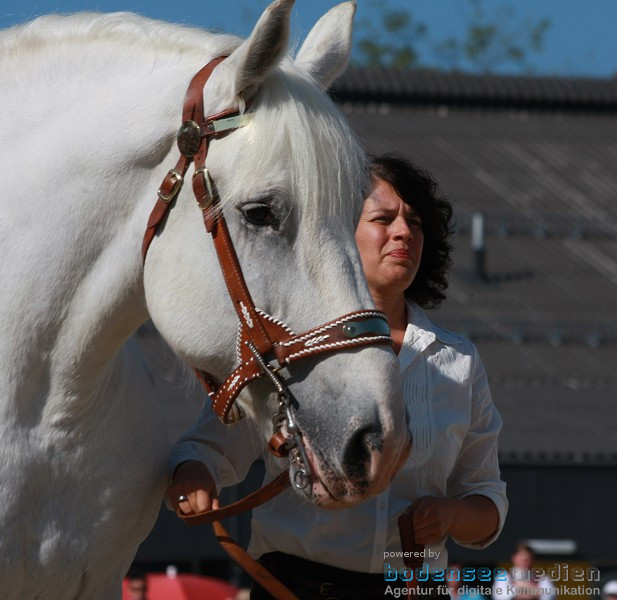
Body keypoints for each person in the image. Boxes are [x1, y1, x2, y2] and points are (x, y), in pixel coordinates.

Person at [166, 153, 508, 600]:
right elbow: (206, 450)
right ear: (337, 234)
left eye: (416, 222)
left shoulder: (458, 362)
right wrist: (194, 477)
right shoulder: (289, 349)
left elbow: (487, 500)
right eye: (384, 218)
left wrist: (450, 516)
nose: (404, 231)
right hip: (293, 586)